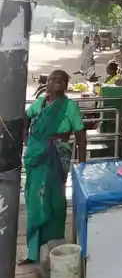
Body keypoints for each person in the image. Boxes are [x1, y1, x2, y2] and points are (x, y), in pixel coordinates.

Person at [21, 70, 87, 264]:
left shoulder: (69, 106)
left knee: (54, 200)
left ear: (66, 85)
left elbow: (80, 134)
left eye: (61, 80)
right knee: (34, 200)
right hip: (36, 154)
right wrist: (26, 136)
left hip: (57, 155)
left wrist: (82, 163)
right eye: (53, 79)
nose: (57, 82)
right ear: (46, 83)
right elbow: (25, 117)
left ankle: (54, 245)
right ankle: (33, 251)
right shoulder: (40, 103)